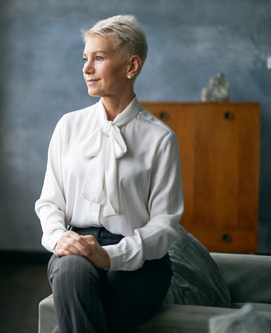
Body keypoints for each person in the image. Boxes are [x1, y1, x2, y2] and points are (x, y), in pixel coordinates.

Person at [35, 15, 184, 332]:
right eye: (85, 58)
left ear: (132, 66)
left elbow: (165, 224)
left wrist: (113, 255)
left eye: (99, 58)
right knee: (72, 272)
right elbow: (49, 202)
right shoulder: (68, 126)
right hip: (77, 245)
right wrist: (61, 239)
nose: (86, 69)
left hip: (142, 257)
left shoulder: (160, 138)